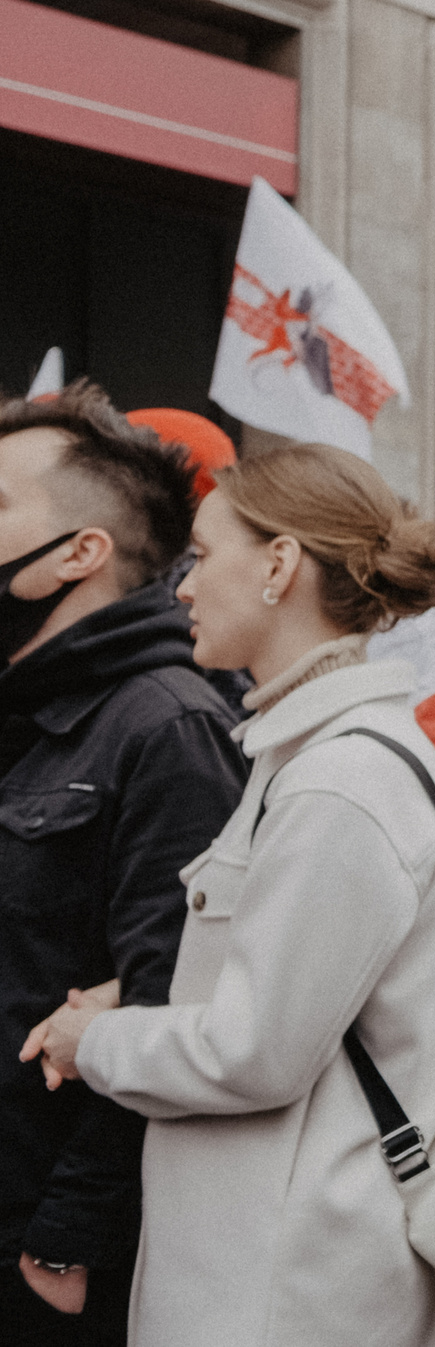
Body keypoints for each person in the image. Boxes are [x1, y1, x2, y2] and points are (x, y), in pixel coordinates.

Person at [20, 441, 435, 1347]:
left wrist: (96, 1036)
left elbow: (256, 1050)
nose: (181, 585)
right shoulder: (313, 755)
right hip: (276, 1263)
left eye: (201, 554)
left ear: (279, 565)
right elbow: (299, 983)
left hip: (285, 1285)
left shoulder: (338, 777)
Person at [0, 385, 246, 1344]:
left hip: (39, 1259)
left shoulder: (168, 728)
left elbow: (173, 1010)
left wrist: (65, 1243)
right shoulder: (25, 718)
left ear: (79, 553)